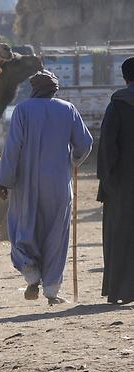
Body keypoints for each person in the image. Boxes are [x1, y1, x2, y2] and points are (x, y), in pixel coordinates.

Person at [0, 70, 93, 305]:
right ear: (55, 89)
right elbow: (85, 144)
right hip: (58, 184)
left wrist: (3, 180)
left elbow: (12, 148)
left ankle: (31, 274)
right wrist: (72, 162)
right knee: (56, 234)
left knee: (23, 227)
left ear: (34, 89)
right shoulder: (67, 109)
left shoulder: (22, 110)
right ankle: (51, 290)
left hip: (25, 184)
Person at [97, 56, 134, 305]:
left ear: (124, 77)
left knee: (120, 234)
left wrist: (106, 181)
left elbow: (107, 146)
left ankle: (121, 291)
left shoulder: (117, 105)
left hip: (122, 183)